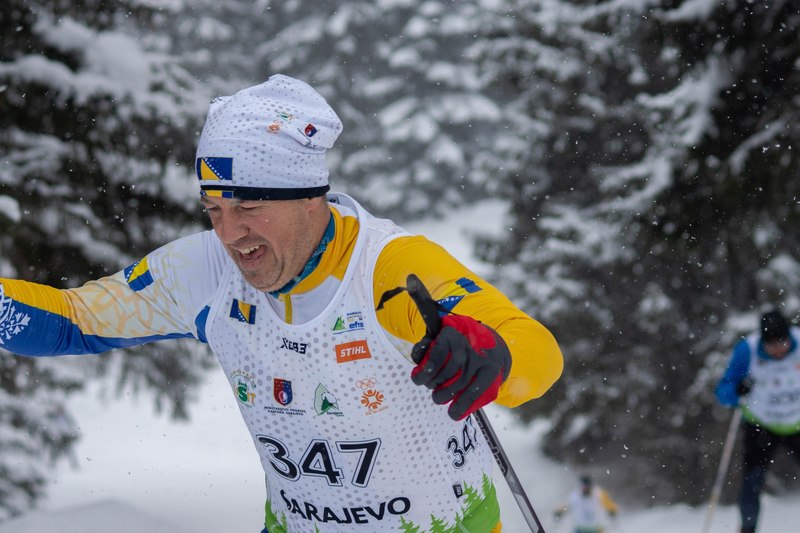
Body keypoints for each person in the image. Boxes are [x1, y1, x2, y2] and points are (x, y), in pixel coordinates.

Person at [0, 74, 563, 533]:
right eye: (214, 209)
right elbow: (71, 320)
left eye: (248, 207)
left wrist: (493, 355)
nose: (229, 233)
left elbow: (536, 353)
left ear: (309, 198)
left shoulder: (388, 269)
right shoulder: (207, 271)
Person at [716, 309, 800, 533]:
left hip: (797, 423)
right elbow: (723, 391)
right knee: (752, 481)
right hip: (761, 425)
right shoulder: (747, 350)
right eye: (771, 345)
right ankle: (748, 528)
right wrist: (737, 390)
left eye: (781, 343)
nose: (778, 350)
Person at [553, 475, 618, 533]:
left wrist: (612, 510)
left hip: (596, 528)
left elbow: (609, 503)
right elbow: (566, 505)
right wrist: (559, 511)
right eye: (582, 486)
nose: (584, 489)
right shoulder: (575, 495)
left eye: (586, 487)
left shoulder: (598, 493)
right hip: (580, 528)